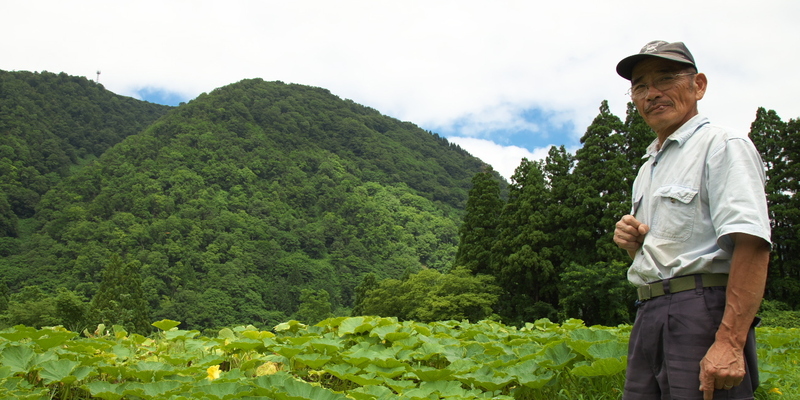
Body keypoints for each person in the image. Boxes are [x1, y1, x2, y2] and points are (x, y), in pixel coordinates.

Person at [612, 40, 772, 400]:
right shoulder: (647, 168)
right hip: (648, 311)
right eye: (640, 86)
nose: (651, 94)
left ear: (698, 85)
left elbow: (753, 243)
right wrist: (634, 245)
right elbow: (669, 253)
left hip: (701, 311)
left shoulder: (722, 145)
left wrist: (730, 341)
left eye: (665, 79)